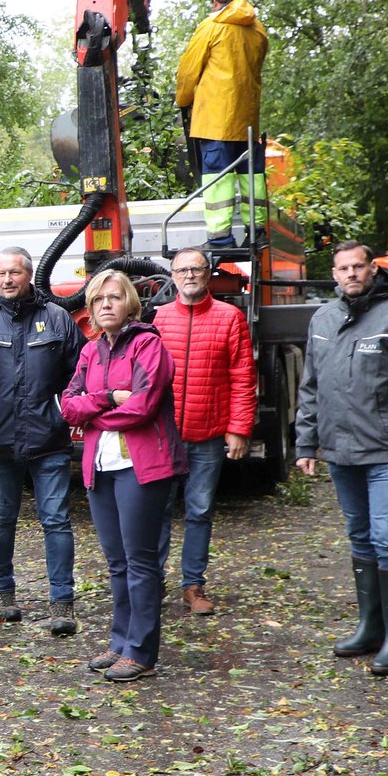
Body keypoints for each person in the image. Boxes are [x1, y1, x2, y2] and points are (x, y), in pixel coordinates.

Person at [293, 242, 388, 675]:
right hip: (341, 453)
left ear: (372, 269)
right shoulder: (323, 318)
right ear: (334, 274)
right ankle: (369, 627)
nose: (351, 274)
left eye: (359, 266)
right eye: (343, 268)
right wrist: (306, 444)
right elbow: (310, 387)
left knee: (386, 537)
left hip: (387, 454)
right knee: (359, 537)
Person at [0, 247, 85, 635]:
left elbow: (82, 372)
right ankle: (3, 595)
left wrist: (63, 409)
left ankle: (62, 602)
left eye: (14, 273)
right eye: (1, 274)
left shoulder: (58, 319)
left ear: (29, 276)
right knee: (1, 519)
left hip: (49, 439)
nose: (7, 280)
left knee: (57, 520)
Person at [61, 269, 184, 682]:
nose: (106, 305)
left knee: (140, 561)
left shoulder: (150, 345)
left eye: (114, 297)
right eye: (98, 300)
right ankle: (120, 642)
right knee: (116, 562)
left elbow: (144, 406)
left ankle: (141, 651)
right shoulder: (90, 351)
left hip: (142, 466)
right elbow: (69, 407)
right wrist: (109, 398)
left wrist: (94, 410)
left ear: (129, 303)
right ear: (92, 309)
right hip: (100, 466)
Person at [151, 248, 256, 616]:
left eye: (197, 269)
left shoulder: (231, 318)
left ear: (209, 274)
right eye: (182, 270)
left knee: (199, 510)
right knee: (156, 511)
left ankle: (193, 585)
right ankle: (151, 583)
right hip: (162, 437)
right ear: (173, 276)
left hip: (208, 434)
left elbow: (243, 377)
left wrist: (239, 428)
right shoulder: (158, 319)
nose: (190, 275)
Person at [175, 0, 270, 249]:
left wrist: (183, 99)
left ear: (216, 2)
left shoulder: (211, 27)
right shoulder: (258, 30)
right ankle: (257, 233)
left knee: (218, 176)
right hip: (247, 119)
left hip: (216, 119)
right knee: (251, 175)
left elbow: (189, 70)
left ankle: (220, 238)